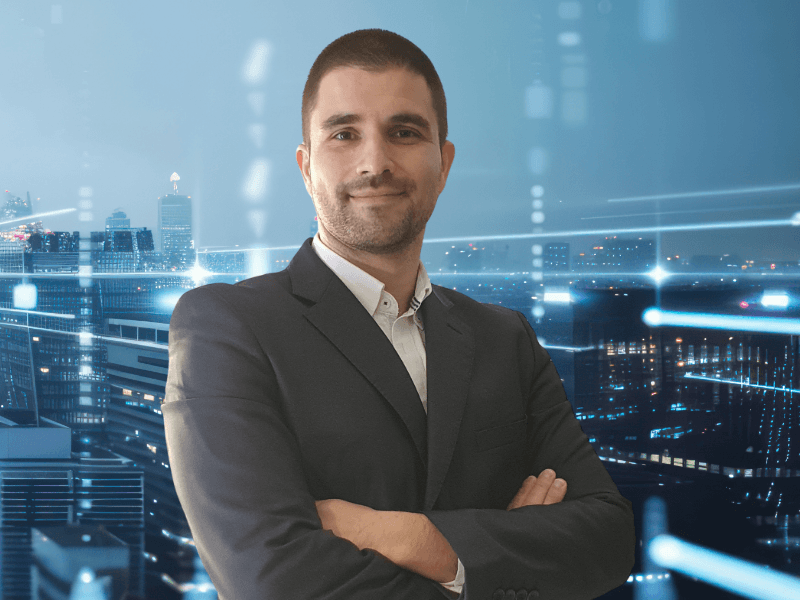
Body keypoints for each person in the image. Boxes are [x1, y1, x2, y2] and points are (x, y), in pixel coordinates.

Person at [163, 28, 635, 600]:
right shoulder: (227, 328)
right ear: (305, 166)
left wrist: (414, 539)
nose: (374, 162)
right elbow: (272, 580)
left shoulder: (504, 339)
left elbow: (608, 539)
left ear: (444, 161)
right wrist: (500, 557)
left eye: (404, 132)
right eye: (344, 133)